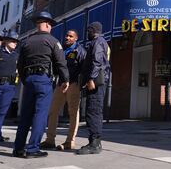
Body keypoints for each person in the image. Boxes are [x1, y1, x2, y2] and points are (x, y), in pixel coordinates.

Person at [13, 12, 69, 159]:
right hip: (43, 80)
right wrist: (65, 80)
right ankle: (32, 149)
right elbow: (61, 62)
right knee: (40, 115)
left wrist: (26, 79)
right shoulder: (53, 41)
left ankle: (18, 148)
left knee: (25, 115)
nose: (50, 27)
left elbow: (20, 65)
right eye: (50, 25)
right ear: (47, 24)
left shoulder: (26, 42)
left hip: (29, 80)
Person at [41, 29, 85, 151]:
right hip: (60, 84)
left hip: (73, 84)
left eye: (71, 36)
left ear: (76, 38)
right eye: (66, 35)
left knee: (73, 113)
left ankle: (70, 142)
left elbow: (84, 68)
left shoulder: (80, 51)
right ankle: (50, 140)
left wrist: (81, 85)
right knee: (53, 111)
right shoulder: (61, 50)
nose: (67, 38)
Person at [76, 22, 110, 155]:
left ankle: (95, 144)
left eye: (88, 31)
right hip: (96, 81)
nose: (87, 33)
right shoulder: (99, 42)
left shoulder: (98, 42)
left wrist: (91, 79)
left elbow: (97, 61)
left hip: (96, 82)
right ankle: (93, 142)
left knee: (94, 111)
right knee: (92, 110)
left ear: (93, 30)